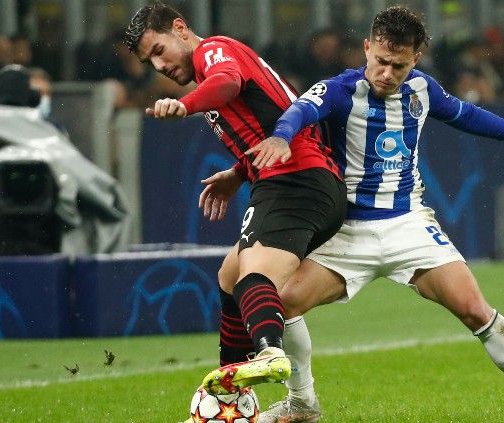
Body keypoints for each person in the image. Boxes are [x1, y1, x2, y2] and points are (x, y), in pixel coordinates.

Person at [203, 6, 504, 423]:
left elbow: (469, 115)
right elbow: (297, 112)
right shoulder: (338, 90)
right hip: (346, 231)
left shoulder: (424, 90)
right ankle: (303, 403)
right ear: (367, 48)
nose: (386, 73)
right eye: (380, 61)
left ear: (415, 60)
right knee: (283, 304)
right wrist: (278, 138)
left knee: (476, 309)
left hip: (409, 225)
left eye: (398, 66)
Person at [123, 2, 346, 397]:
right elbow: (273, 112)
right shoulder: (211, 71)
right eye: (148, 62)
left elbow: (228, 81)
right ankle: (232, 391)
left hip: (297, 180)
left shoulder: (213, 52)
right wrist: (238, 173)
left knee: (252, 277)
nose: (158, 67)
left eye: (159, 50)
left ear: (180, 27)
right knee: (230, 278)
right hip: (292, 180)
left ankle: (269, 353)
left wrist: (186, 105)